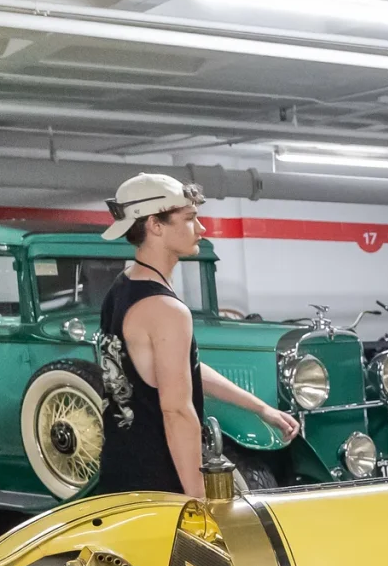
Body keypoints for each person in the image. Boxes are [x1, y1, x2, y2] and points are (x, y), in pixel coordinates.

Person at [96, 173, 298, 496]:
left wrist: (260, 408)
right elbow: (177, 411)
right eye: (190, 219)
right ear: (155, 225)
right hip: (161, 481)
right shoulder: (167, 310)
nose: (201, 229)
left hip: (120, 472)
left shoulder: (122, 288)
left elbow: (178, 371)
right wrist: (198, 501)